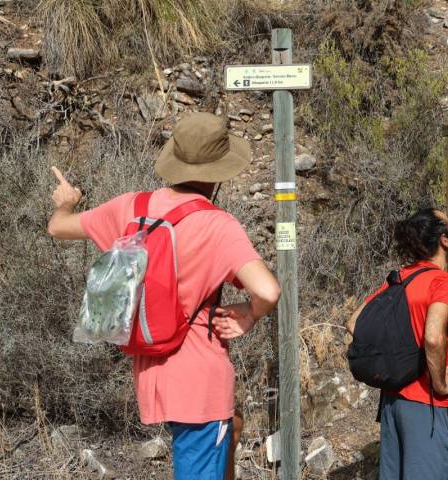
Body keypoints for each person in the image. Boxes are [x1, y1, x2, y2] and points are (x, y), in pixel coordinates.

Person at [47, 112, 281, 480]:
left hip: (152, 369)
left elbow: (58, 227)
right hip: (200, 380)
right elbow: (268, 289)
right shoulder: (218, 224)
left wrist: (67, 200)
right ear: (219, 171)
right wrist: (250, 314)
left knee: (226, 434)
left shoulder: (130, 208)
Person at [347, 208, 448, 480]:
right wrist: (440, 384)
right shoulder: (442, 282)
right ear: (444, 239)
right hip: (427, 407)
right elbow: (433, 337)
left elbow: (354, 322)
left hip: (392, 401)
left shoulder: (402, 277)